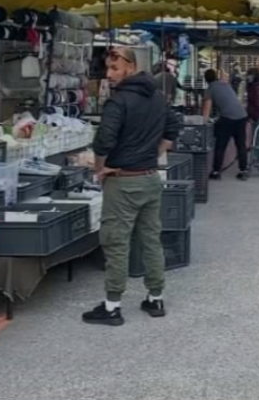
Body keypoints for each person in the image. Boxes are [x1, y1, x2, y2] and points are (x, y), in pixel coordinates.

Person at [83, 47, 181, 326]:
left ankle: (112, 306)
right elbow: (172, 131)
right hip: (150, 178)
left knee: (116, 242)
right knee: (151, 240)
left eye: (114, 69)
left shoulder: (119, 102)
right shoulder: (158, 97)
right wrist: (153, 154)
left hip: (123, 181)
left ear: (130, 66)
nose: (109, 75)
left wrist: (101, 168)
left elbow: (104, 140)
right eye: (108, 69)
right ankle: (155, 297)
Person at [203, 68, 250, 181]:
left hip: (228, 118)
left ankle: (216, 171)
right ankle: (243, 170)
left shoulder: (210, 88)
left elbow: (206, 111)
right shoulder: (225, 84)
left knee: (220, 144)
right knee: (241, 144)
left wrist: (203, 123)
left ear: (206, 80)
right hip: (242, 116)